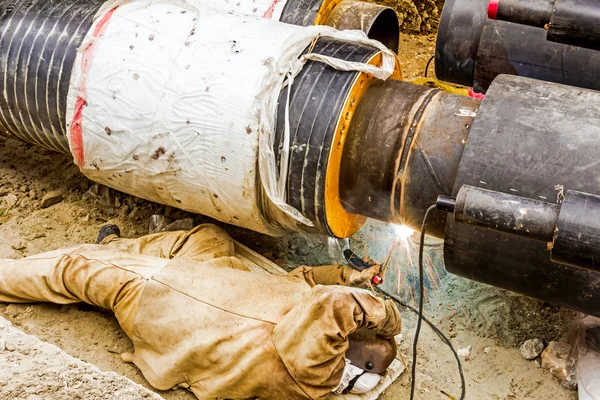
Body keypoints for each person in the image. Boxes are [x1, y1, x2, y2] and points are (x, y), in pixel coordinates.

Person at [0, 223, 402, 399]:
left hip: (168, 302)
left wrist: (386, 316)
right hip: (212, 278)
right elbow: (306, 282)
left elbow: (335, 305)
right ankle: (115, 250)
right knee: (209, 238)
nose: (359, 330)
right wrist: (344, 274)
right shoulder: (315, 331)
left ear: (355, 367)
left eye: (365, 336)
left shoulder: (313, 371)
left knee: (74, 269)